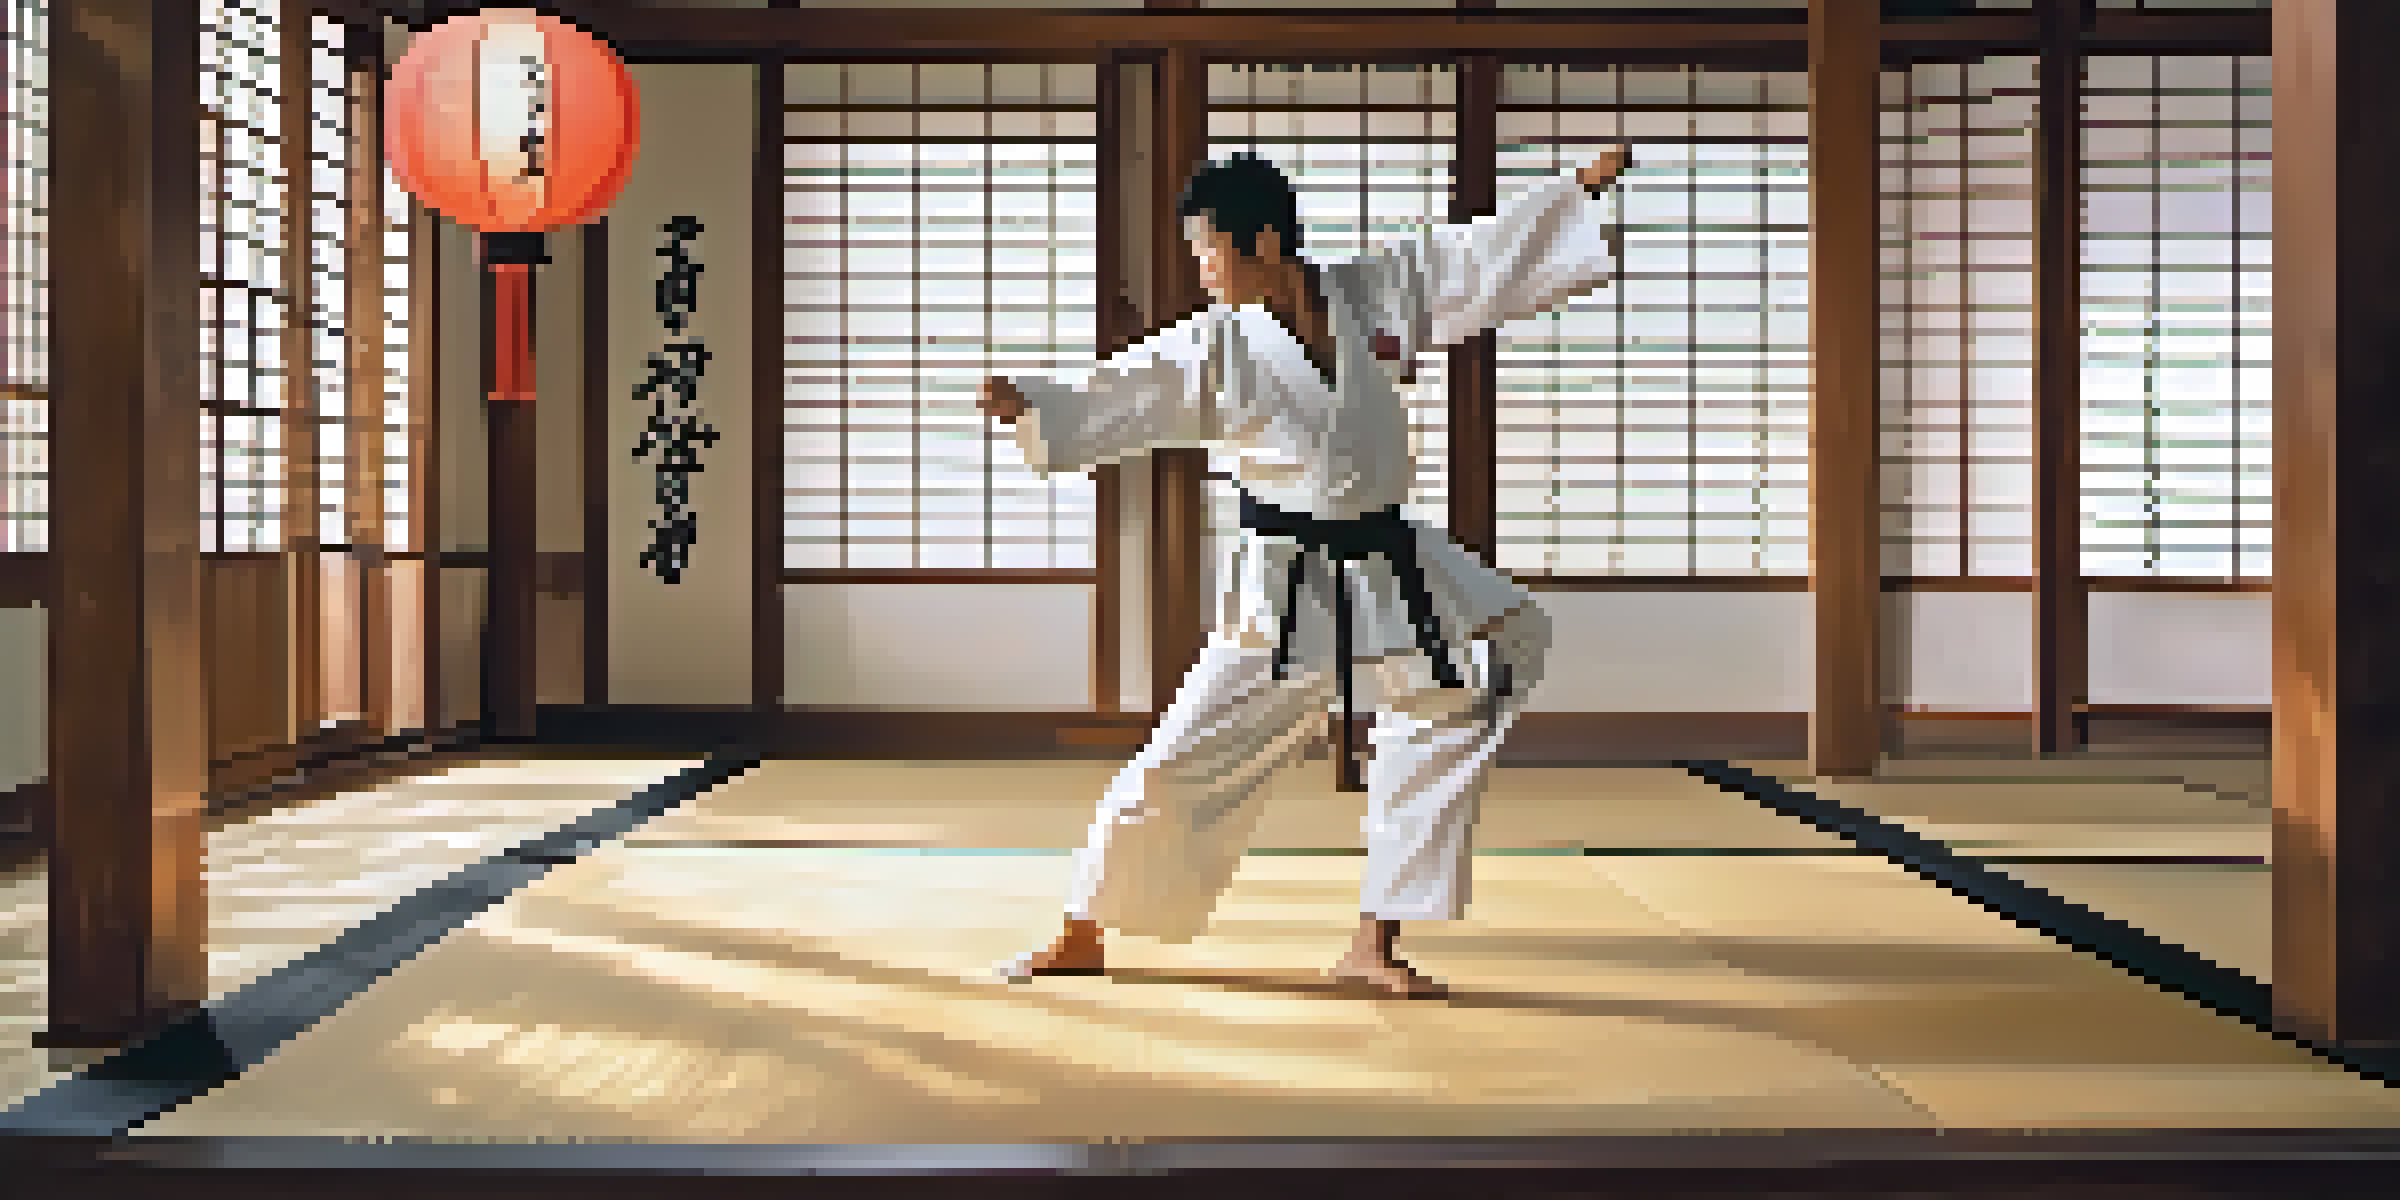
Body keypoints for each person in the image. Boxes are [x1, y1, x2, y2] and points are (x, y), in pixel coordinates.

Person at [978, 146, 1632, 998]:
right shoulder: (1214, 344)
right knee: (1184, 757)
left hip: (1389, 565)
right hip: (1285, 583)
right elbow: (1126, 391)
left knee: (1471, 681)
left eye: (1210, 250)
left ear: (1265, 241)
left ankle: (1375, 940)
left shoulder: (1369, 293)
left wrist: (1571, 193)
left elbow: (1468, 257)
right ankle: (1082, 931)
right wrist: (1040, 405)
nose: (1203, 271)